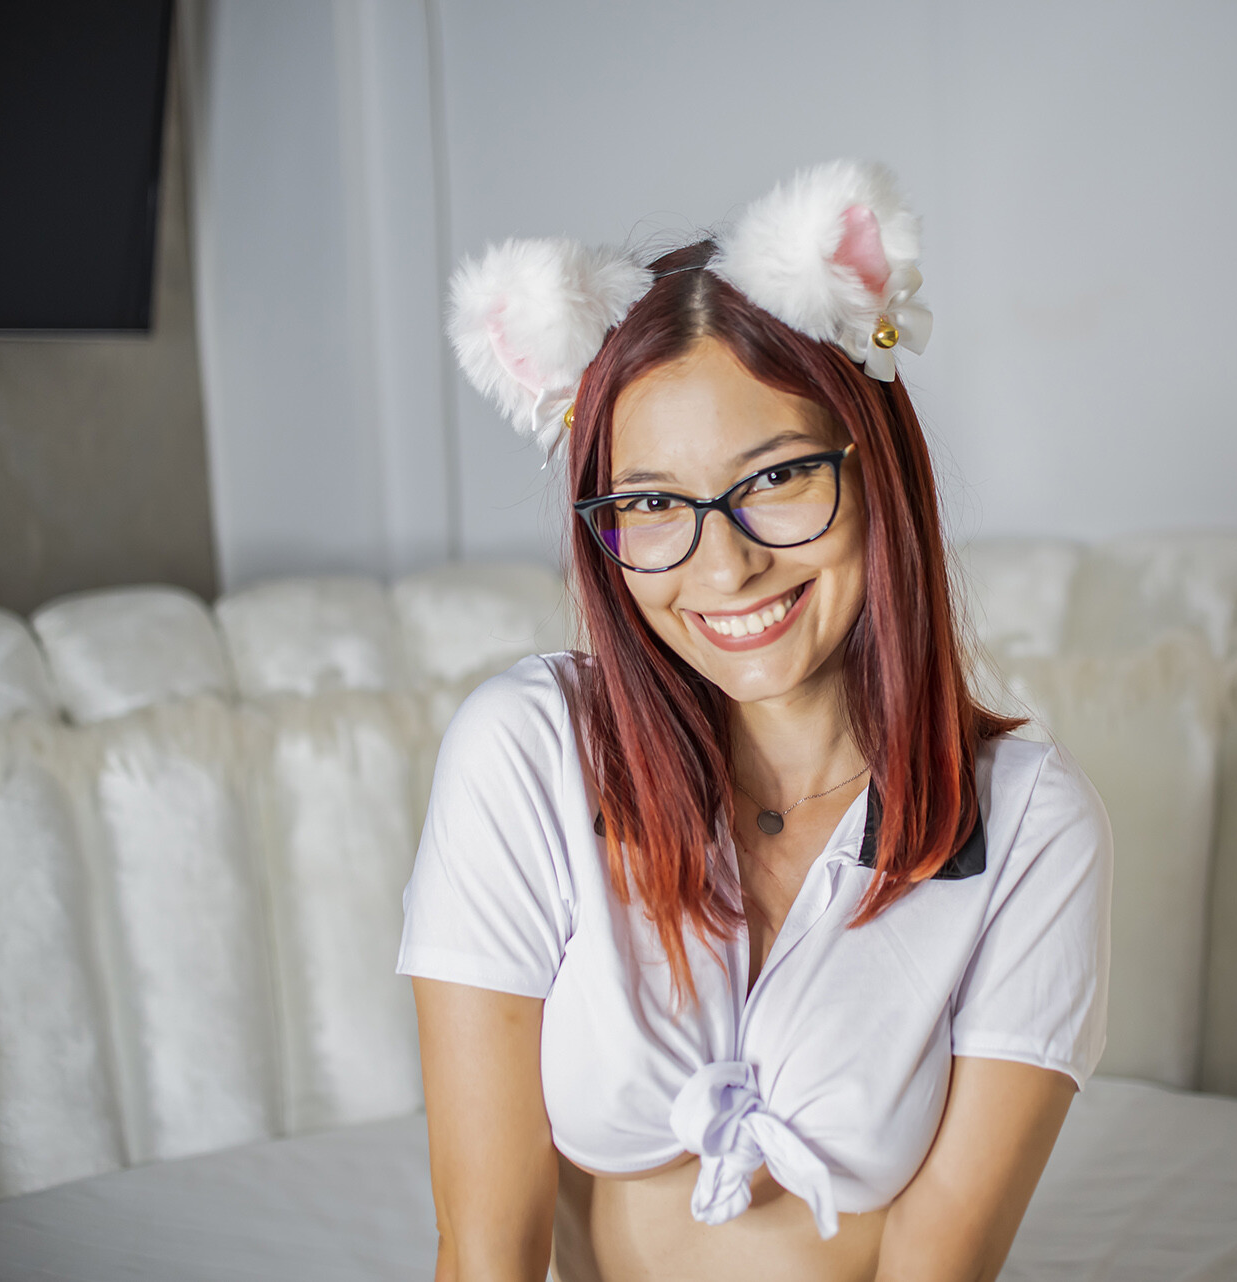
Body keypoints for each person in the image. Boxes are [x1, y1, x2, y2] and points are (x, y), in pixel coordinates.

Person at [397, 160, 1111, 1282]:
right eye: (651, 503)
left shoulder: (1030, 823)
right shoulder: (527, 753)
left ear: (876, 474)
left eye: (775, 479)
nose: (723, 566)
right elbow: (485, 1253)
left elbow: (941, 1261)